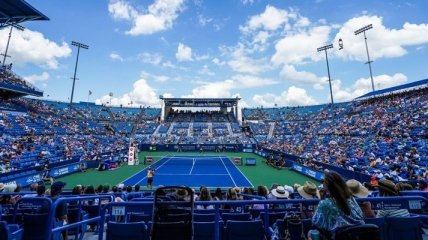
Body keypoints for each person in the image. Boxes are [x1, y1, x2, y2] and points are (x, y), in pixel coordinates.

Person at [311, 171, 364, 239]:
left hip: (338, 236)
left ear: (327, 186)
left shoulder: (324, 203)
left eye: (323, 181)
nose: (323, 183)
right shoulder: (352, 199)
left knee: (311, 232)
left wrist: (321, 200)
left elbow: (315, 222)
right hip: (357, 237)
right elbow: (361, 217)